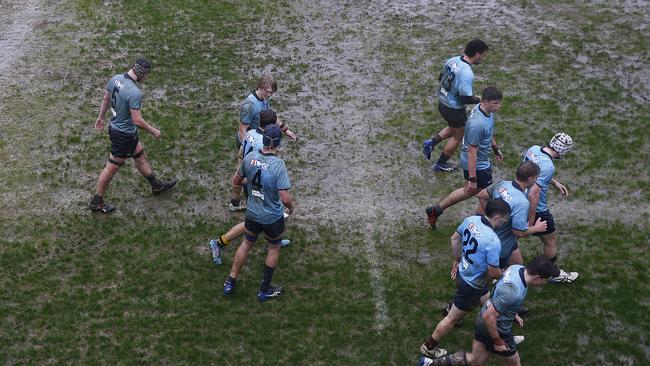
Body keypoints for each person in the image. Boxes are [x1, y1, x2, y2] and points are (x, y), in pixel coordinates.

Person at [418, 256, 560, 366]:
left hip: (483, 320)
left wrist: (513, 314)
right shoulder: (514, 292)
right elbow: (489, 316)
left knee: (476, 360)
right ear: (538, 277)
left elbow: (498, 295)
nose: (545, 283)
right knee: (515, 363)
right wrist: (498, 341)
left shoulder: (517, 268)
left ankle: (429, 363)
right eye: (546, 280)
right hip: (496, 328)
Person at [420, 199, 512, 359]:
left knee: (490, 303)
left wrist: (457, 260)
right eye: (505, 218)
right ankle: (429, 346)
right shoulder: (493, 241)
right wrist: (504, 275)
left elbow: (454, 239)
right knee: (452, 319)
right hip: (473, 284)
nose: (506, 221)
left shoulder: (472, 220)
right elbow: (493, 272)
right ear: (497, 217)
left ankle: (502, 335)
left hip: (464, 273)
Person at [89, 58, 176, 213]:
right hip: (123, 135)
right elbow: (137, 120)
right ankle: (97, 201)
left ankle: (156, 186)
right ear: (142, 74)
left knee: (139, 155)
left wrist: (101, 117)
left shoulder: (115, 79)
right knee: (111, 167)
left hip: (121, 130)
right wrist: (153, 130)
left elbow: (106, 99)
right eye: (146, 75)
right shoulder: (134, 92)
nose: (146, 78)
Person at [223, 125, 295, 301]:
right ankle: (264, 289)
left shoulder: (249, 158)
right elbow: (285, 198)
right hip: (271, 216)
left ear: (263, 140)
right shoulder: (278, 165)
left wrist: (255, 184)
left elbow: (236, 180)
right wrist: (291, 207)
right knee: (273, 248)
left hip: (253, 212)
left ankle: (230, 281)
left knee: (246, 244)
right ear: (277, 144)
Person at [209, 110, 290, 265]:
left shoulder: (251, 132)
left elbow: (242, 150)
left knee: (267, 215)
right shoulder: (263, 143)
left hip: (249, 177)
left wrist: (240, 165)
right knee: (258, 218)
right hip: (256, 182)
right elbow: (261, 163)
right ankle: (219, 242)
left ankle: (272, 242)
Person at [426, 86, 504, 228]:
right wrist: (473, 179)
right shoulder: (477, 124)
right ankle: (479, 228)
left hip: (476, 161)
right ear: (485, 101)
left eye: (499, 102)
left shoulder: (486, 112)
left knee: (468, 191)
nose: (499, 106)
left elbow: (488, 133)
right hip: (477, 164)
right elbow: (471, 152)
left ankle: (436, 210)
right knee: (485, 196)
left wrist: (495, 148)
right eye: (495, 103)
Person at [229, 73, 297, 211]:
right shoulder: (249, 105)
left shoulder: (263, 99)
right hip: (249, 144)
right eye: (268, 92)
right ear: (261, 87)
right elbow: (242, 129)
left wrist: (286, 130)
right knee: (242, 174)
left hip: (257, 140)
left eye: (271, 93)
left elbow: (271, 116)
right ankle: (235, 204)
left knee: (247, 174)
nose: (270, 95)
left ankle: (245, 201)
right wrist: (248, 149)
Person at [423, 39, 489, 172]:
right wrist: (480, 99)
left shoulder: (453, 60)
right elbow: (464, 98)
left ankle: (431, 142)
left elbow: (440, 77)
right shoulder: (467, 73)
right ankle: (440, 164)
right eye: (483, 55)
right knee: (458, 135)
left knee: (454, 127)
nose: (483, 58)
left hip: (442, 102)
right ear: (477, 54)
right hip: (453, 108)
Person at [523, 133, 579, 283]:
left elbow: (534, 172)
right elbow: (533, 195)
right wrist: (531, 219)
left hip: (518, 200)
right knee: (550, 241)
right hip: (537, 209)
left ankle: (500, 269)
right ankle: (549, 274)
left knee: (509, 237)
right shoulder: (549, 166)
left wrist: (554, 182)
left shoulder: (533, 149)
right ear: (563, 151)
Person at [477, 161, 548, 269]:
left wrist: (489, 215)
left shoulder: (502, 184)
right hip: (501, 244)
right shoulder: (521, 203)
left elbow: (482, 195)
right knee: (492, 274)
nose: (536, 181)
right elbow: (519, 232)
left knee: (518, 267)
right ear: (530, 179)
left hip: (491, 235)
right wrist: (537, 228)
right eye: (536, 178)